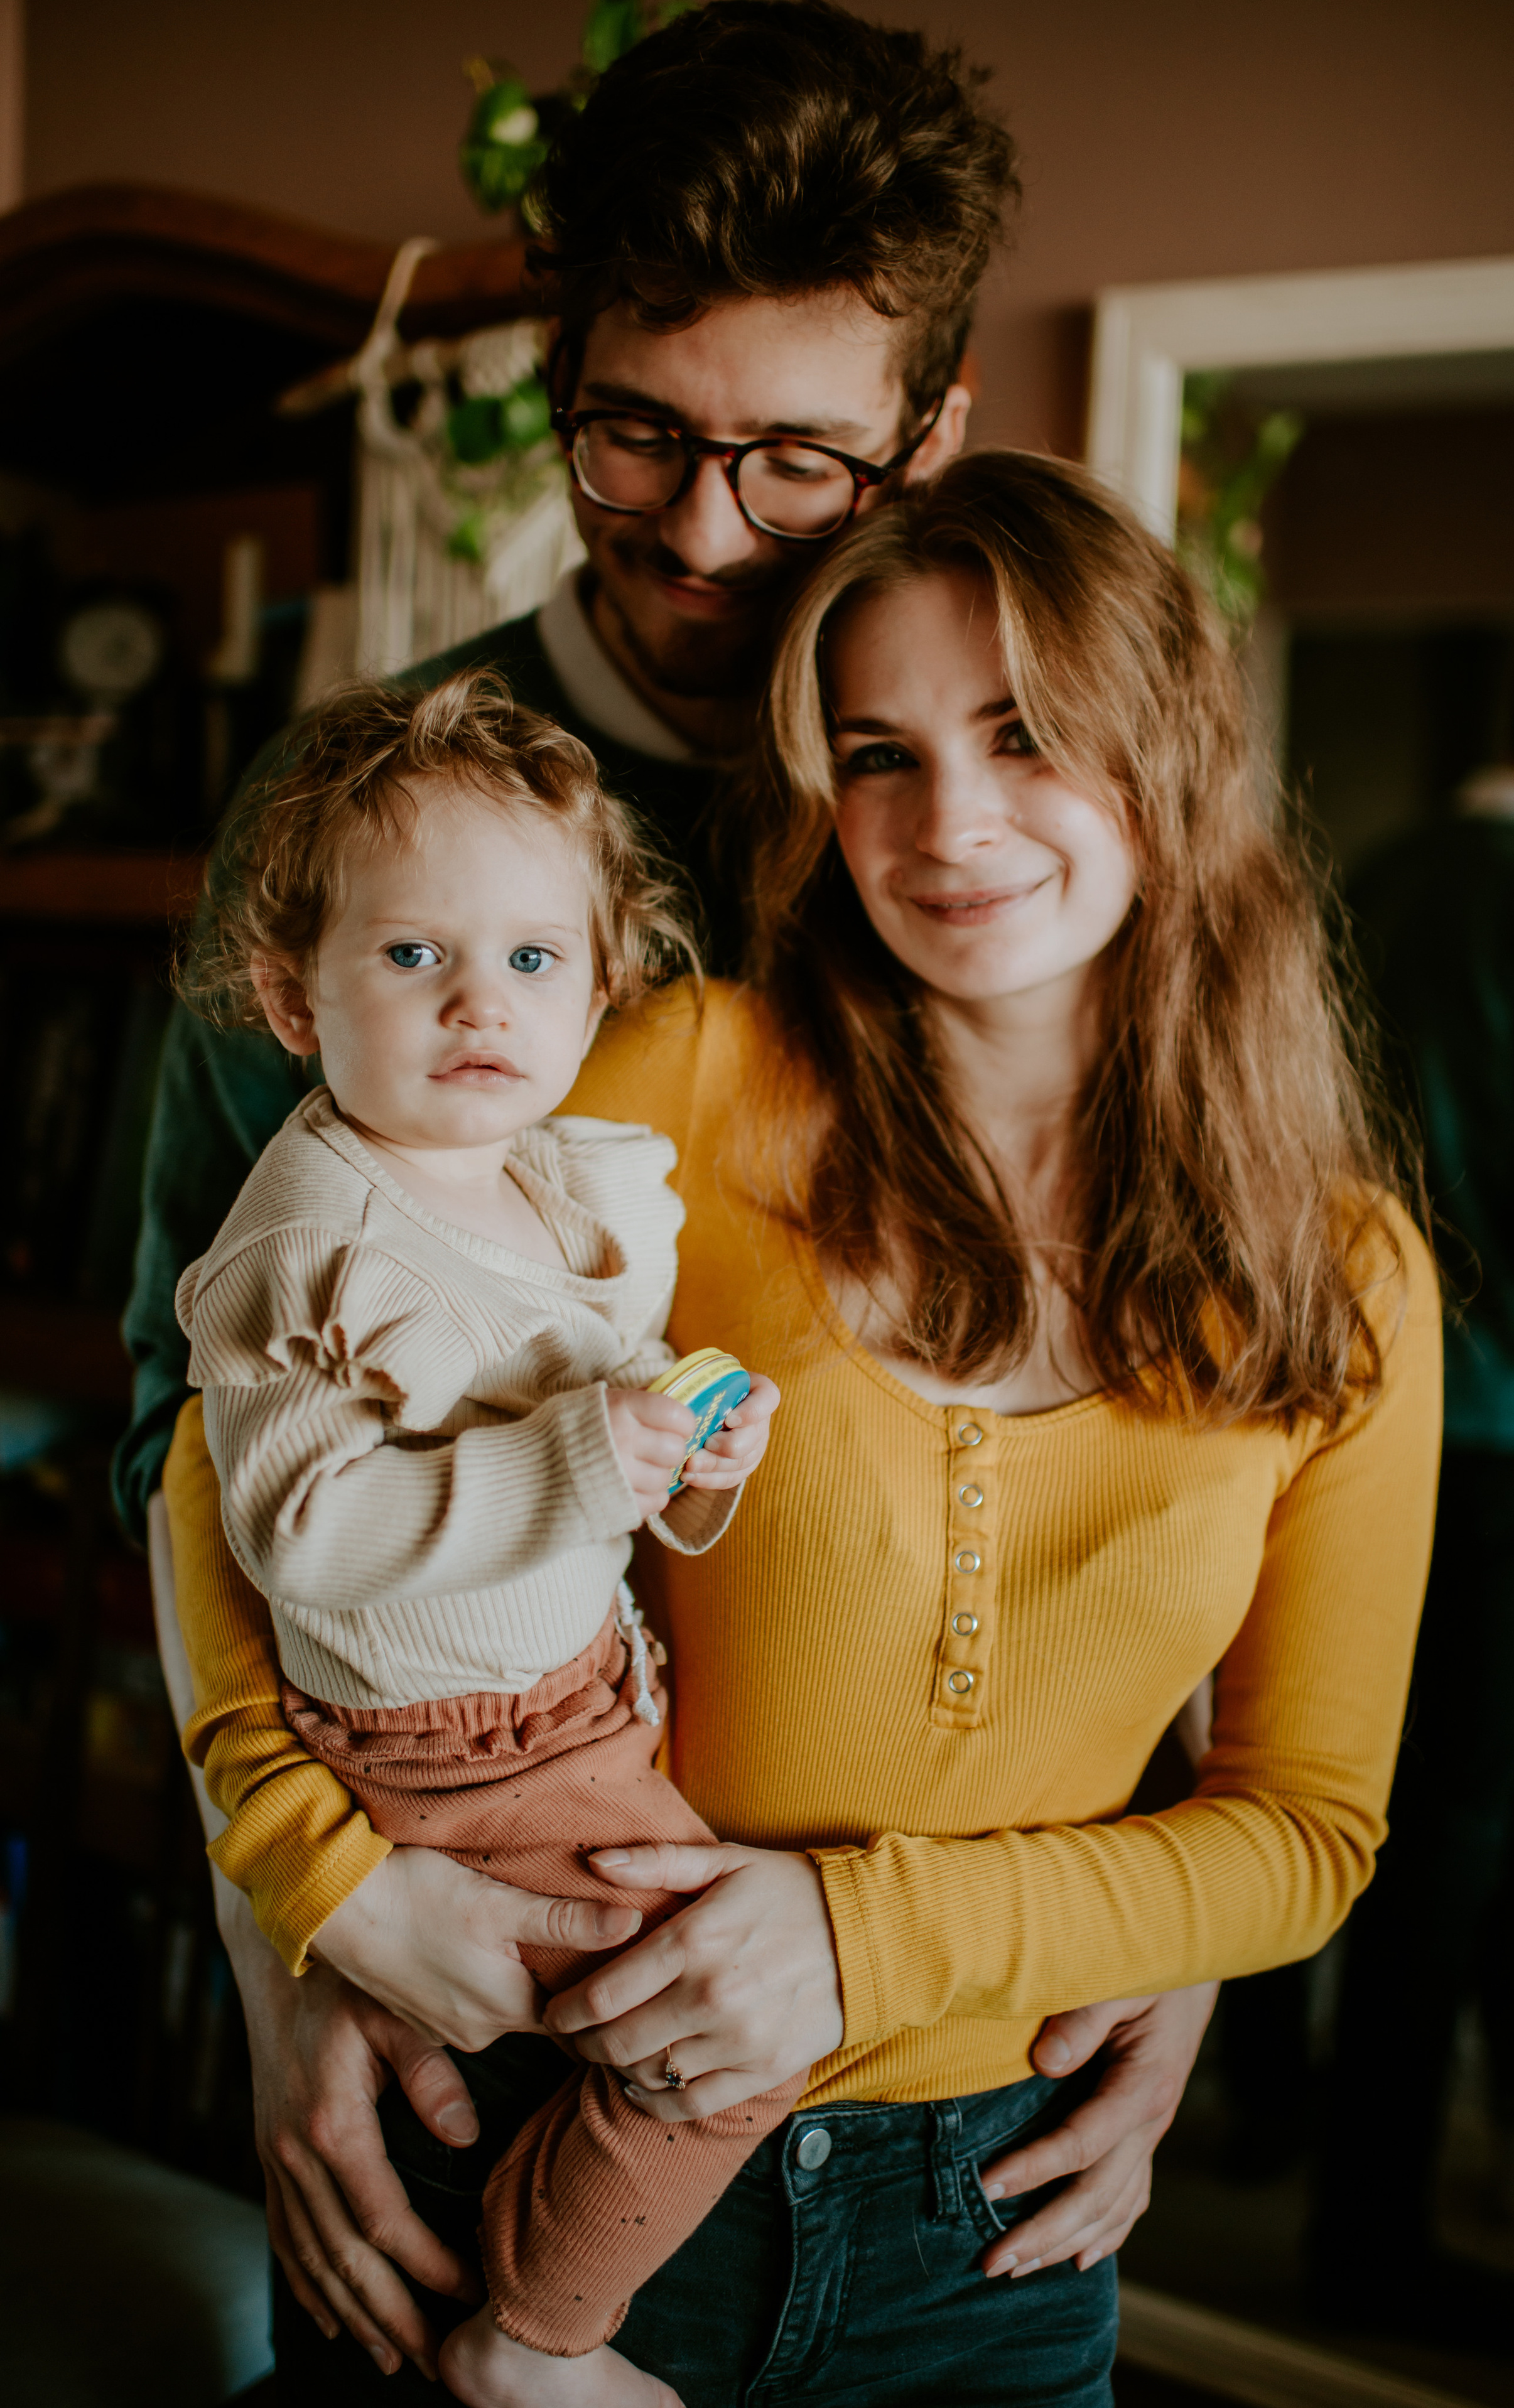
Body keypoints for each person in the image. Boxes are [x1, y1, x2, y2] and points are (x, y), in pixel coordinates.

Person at [118, 9, 1223, 2390]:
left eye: (798, 459)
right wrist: (294, 1931)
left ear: (930, 436)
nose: (706, 528)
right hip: (456, 1966)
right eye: (638, 430)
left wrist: (1183, 1917)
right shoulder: (367, 832)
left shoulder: (1015, 840)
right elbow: (188, 1414)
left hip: (931, 2039)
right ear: (555, 374)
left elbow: (1170, 1398)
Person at [170, 448, 1442, 2407]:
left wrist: (865, 1937)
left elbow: (1309, 1826)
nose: (948, 822)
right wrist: (315, 1893)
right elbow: (227, 1447)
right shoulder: (676, 1087)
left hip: (993, 2225)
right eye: (875, 753)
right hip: (530, 2096)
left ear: (1170, 743)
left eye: (1025, 734)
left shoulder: (1343, 1274)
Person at [176, 671, 797, 2408]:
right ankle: (538, 2340)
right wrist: (582, 1459)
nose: (480, 1004)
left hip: (578, 1690)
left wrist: (691, 1460)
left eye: (532, 959)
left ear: (601, 979)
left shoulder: (551, 1176)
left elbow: (604, 1465)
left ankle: (510, 2253)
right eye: (412, 957)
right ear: (293, 996)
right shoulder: (313, 1239)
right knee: (734, 2049)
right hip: (451, 1743)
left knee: (637, 2017)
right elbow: (305, 1528)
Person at [1308, 588, 1514, 2358]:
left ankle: (1271, 2101)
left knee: (1300, 1788)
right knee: (1458, 1839)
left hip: (1334, 1409)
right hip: (1503, 1438)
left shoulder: (1373, 872)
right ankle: (1371, 2240)